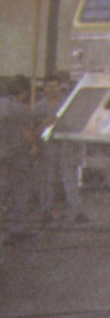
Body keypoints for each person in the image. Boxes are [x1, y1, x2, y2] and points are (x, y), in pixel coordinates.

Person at [34, 74, 87, 223]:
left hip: (66, 146)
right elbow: (34, 130)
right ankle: (46, 210)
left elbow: (76, 123)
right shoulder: (39, 107)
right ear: (44, 89)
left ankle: (77, 211)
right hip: (48, 146)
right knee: (47, 180)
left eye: (55, 86)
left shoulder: (67, 103)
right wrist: (45, 123)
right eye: (49, 87)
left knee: (69, 179)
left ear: (60, 87)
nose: (53, 90)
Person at [0, 75, 37, 243]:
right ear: (24, 92)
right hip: (17, 156)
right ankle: (18, 228)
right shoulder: (22, 110)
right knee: (20, 192)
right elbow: (27, 134)